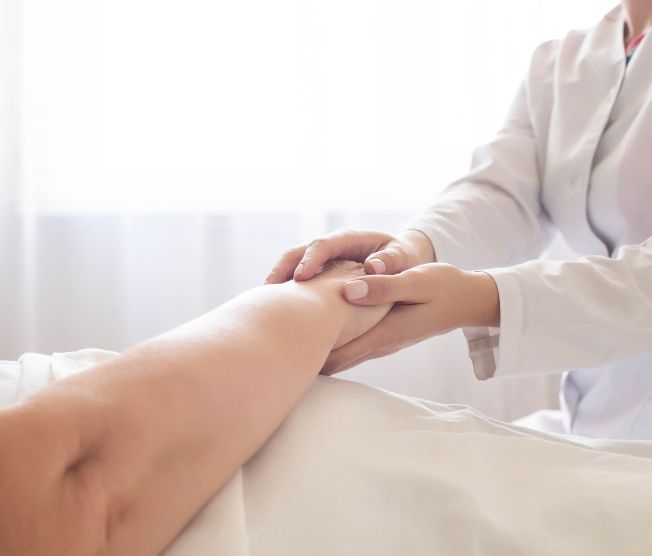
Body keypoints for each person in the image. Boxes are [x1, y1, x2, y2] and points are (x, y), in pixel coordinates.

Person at [266, 0, 652, 440]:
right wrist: (409, 251)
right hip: (598, 416)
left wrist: (477, 299)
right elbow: (503, 193)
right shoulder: (562, 59)